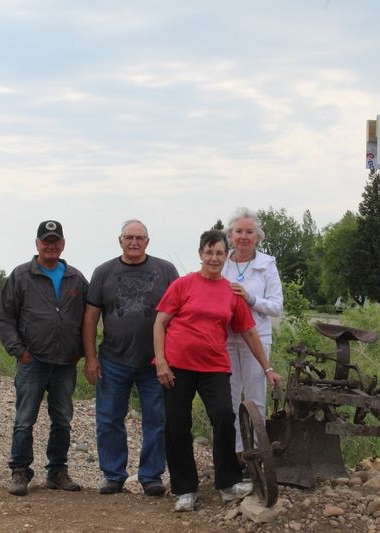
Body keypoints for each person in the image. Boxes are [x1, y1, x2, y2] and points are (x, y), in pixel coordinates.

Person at [153, 229, 282, 512]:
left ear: (226, 257)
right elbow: (160, 323)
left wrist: (268, 368)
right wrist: (161, 361)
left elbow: (249, 333)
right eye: (209, 252)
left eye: (219, 253)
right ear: (200, 254)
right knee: (176, 425)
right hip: (177, 367)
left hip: (214, 366)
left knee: (224, 417)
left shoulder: (231, 292)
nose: (214, 258)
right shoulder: (183, 285)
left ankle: (227, 482)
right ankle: (185, 489)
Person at [82, 220, 179, 496]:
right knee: (109, 419)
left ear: (148, 241)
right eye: (129, 237)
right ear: (119, 240)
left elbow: (179, 312)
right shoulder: (104, 272)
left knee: (156, 419)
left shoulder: (165, 270)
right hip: (113, 360)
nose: (134, 242)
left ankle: (151, 476)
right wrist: (91, 357)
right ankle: (113, 475)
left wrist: (171, 357)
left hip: (156, 362)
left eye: (139, 237)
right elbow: (90, 318)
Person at [0, 220, 88, 496]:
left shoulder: (76, 278)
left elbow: (89, 318)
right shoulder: (21, 276)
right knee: (25, 419)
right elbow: (4, 319)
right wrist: (20, 352)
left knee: (62, 420)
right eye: (46, 241)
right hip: (32, 361)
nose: (51, 246)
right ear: (37, 244)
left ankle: (57, 471)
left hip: (65, 364)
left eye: (55, 241)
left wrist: (82, 352)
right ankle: (20, 471)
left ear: (63, 244)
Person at [222, 207, 283, 466]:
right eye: (238, 232)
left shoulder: (266, 264)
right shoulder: (220, 261)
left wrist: (250, 298)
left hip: (257, 336)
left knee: (256, 397)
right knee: (230, 397)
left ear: (257, 237)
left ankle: (256, 455)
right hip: (225, 337)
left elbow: (276, 306)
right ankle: (236, 455)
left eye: (249, 232)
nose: (243, 237)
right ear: (230, 235)